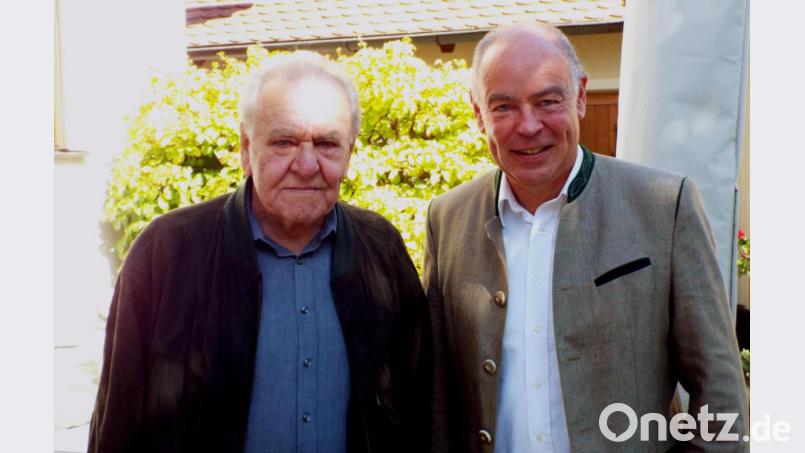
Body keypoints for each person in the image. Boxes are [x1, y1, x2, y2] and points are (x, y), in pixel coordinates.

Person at [424, 24, 748, 452]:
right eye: (503, 107)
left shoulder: (664, 206)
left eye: (547, 101)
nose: (528, 125)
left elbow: (721, 395)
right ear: (478, 114)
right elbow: (439, 392)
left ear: (579, 96)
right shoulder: (447, 218)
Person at [89, 51, 431, 453]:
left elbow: (418, 405)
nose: (306, 165)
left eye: (326, 144)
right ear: (245, 148)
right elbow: (118, 419)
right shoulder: (166, 252)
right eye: (284, 142)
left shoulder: (382, 250)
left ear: (349, 153)